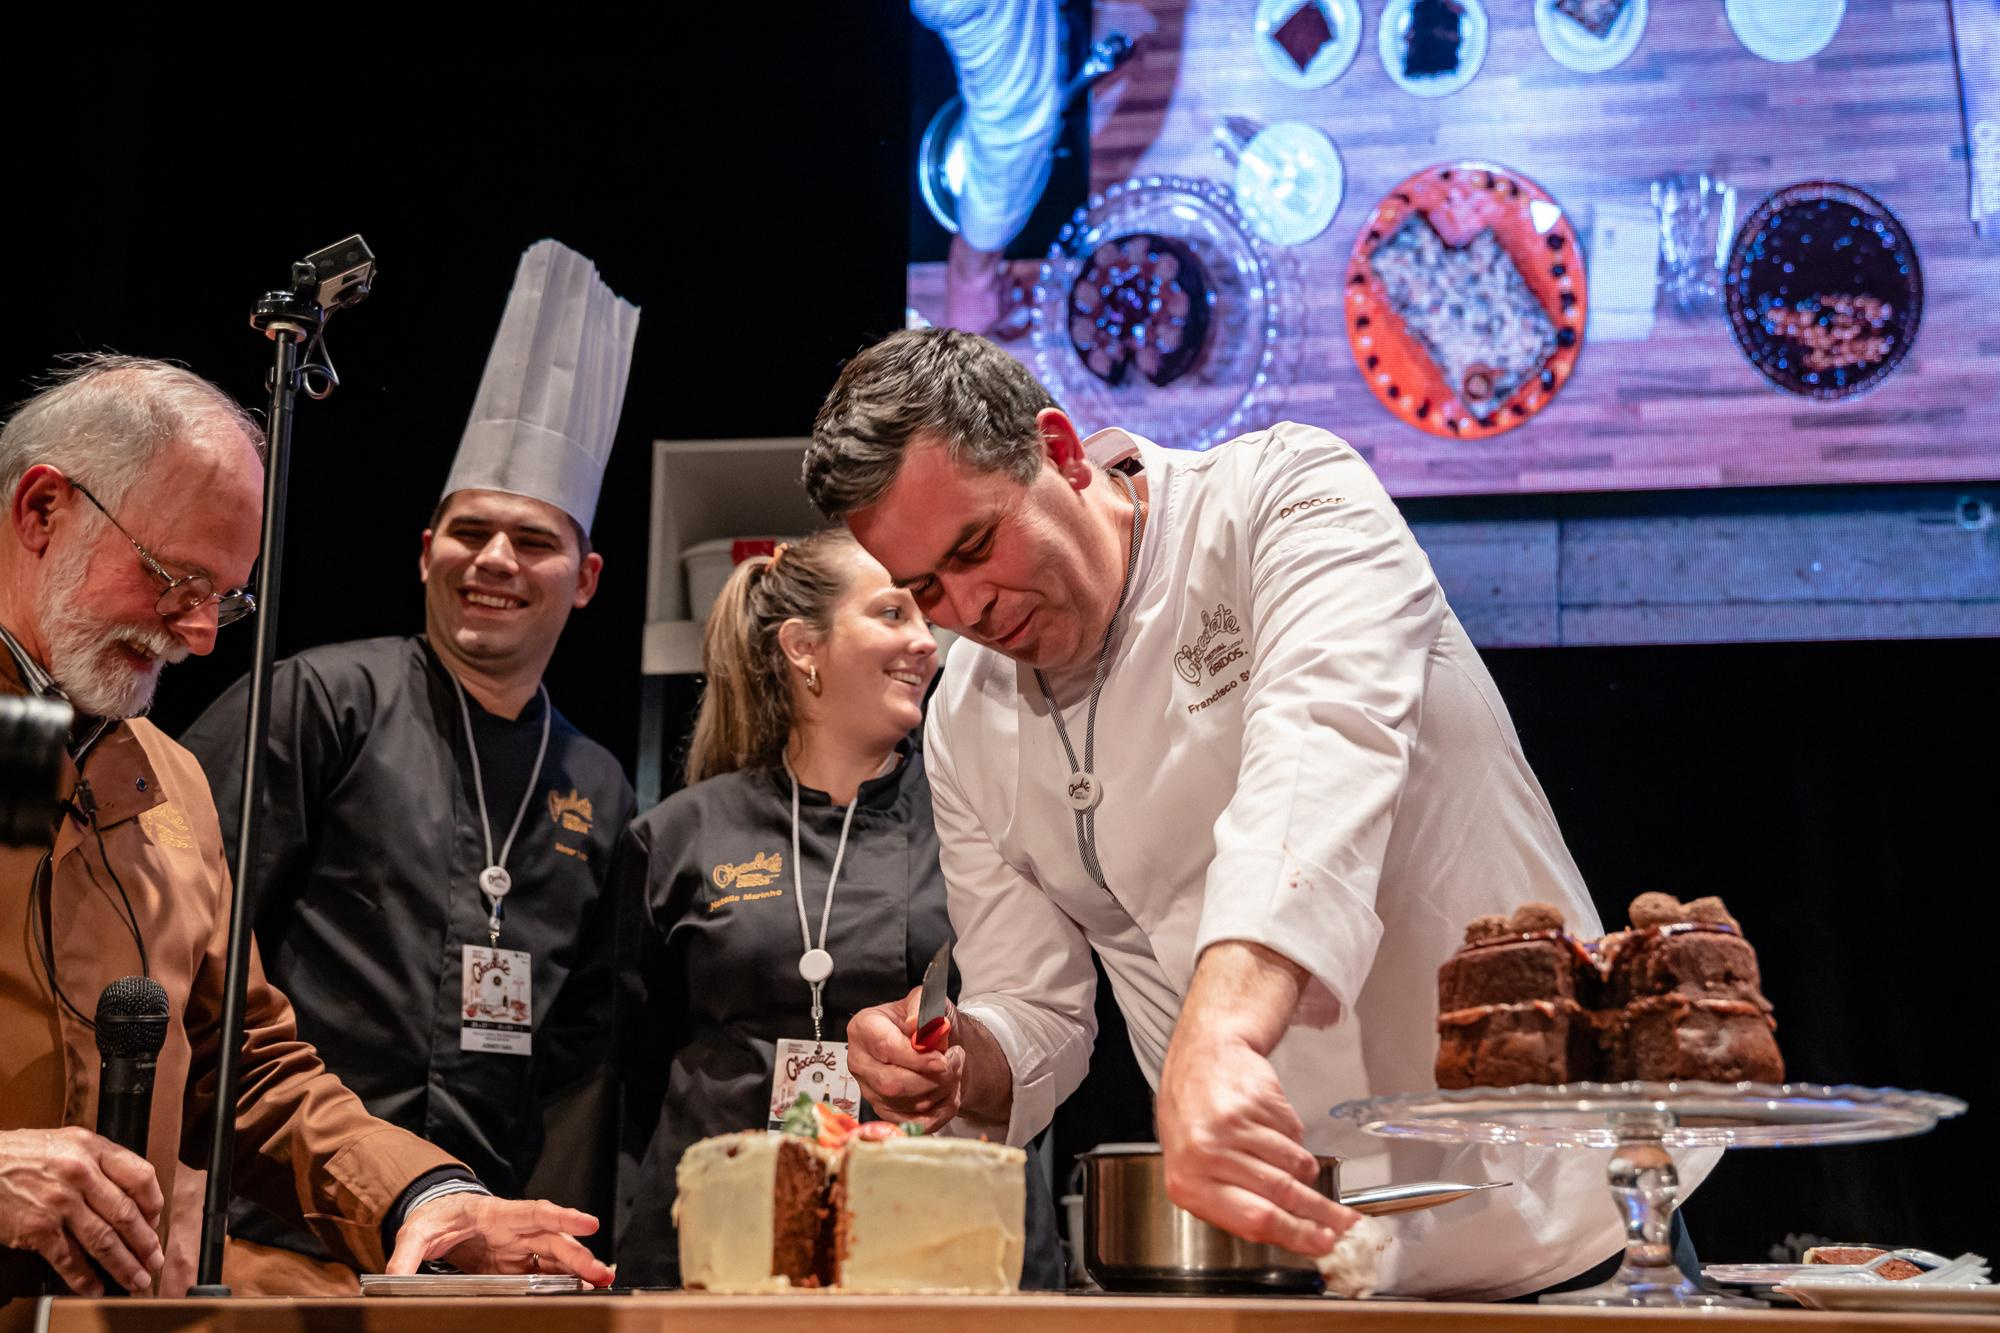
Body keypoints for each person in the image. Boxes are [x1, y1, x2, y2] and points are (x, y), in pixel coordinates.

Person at [800, 328, 1647, 1300]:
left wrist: (1219, 1037)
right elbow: (1033, 1003)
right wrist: (961, 1066)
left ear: (1059, 449)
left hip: (1523, 1220)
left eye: (975, 546)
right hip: (1263, 1260)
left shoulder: (1281, 497)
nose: (968, 610)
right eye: (923, 589)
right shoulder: (964, 714)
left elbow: (1318, 753)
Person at [0, 355, 613, 1301]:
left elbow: (244, 1070)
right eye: (173, 578)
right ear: (42, 511)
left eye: (225, 597)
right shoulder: (323, 706)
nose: (201, 633)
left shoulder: (169, 780)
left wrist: (421, 1192)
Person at [179, 242, 639, 1294]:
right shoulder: (319, 699)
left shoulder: (599, 786)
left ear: (587, 578)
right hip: (278, 1230)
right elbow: (187, 933)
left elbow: (581, 1054)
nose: (493, 562)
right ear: (424, 547)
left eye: (532, 542)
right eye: (467, 532)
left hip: (480, 1246)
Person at [612, 529, 1061, 1289]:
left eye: (927, 617)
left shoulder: (979, 819)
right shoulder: (681, 833)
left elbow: (1034, 1012)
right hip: (723, 1244)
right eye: (892, 614)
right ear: (802, 647)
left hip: (933, 1237)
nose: (927, 642)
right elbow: (635, 1055)